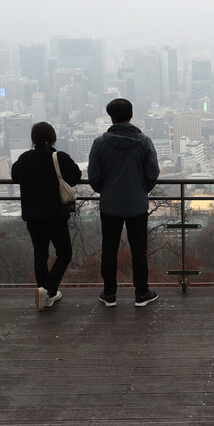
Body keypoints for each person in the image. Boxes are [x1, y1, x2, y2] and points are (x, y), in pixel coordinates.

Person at [88, 98, 161, 307]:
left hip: (110, 205)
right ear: (131, 115)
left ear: (111, 117)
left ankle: (109, 294)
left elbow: (94, 176)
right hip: (137, 204)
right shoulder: (144, 141)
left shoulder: (100, 143)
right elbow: (152, 173)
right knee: (139, 250)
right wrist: (140, 189)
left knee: (109, 249)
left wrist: (107, 190)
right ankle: (141, 293)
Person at [11, 121, 82, 311]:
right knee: (64, 253)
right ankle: (49, 290)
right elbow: (76, 177)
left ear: (33, 139)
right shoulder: (59, 157)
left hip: (33, 217)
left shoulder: (24, 159)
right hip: (56, 216)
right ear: (53, 138)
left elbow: (15, 176)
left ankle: (44, 293)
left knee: (40, 255)